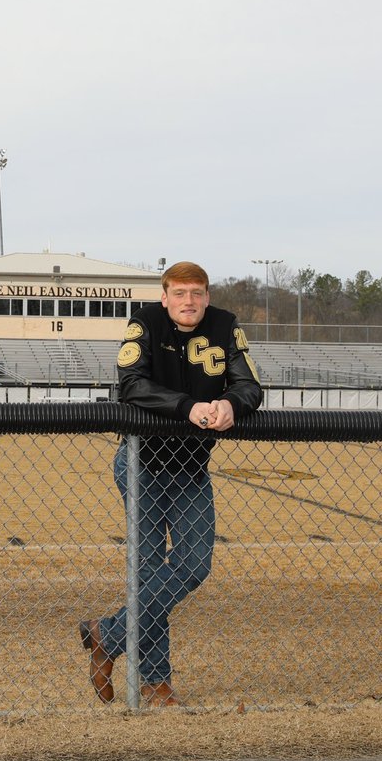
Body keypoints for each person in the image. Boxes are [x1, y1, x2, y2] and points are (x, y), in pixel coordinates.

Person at [80, 261, 262, 707]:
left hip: (190, 468)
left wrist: (230, 405)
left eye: (197, 293)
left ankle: (109, 634)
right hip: (143, 463)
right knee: (148, 572)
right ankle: (156, 684)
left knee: (193, 565)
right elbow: (131, 385)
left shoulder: (225, 325)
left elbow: (251, 386)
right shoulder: (145, 321)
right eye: (179, 293)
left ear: (207, 295)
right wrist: (188, 407)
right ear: (165, 297)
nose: (188, 301)